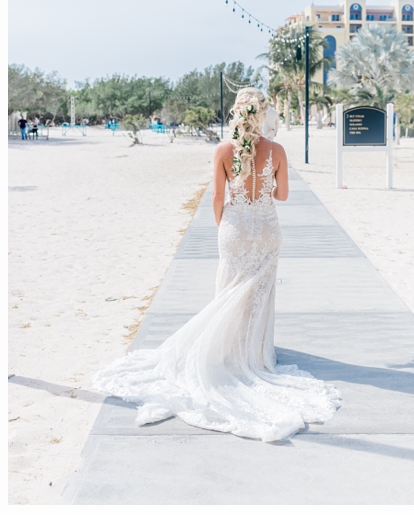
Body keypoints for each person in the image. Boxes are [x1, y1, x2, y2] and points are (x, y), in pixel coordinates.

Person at [94, 88, 341, 441]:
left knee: (229, 290)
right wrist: (265, 183)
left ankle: (224, 348)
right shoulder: (278, 151)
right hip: (266, 229)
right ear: (263, 115)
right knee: (258, 291)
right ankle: (254, 353)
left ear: (237, 113)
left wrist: (223, 226)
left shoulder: (223, 150)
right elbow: (282, 195)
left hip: (235, 228)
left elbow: (217, 196)